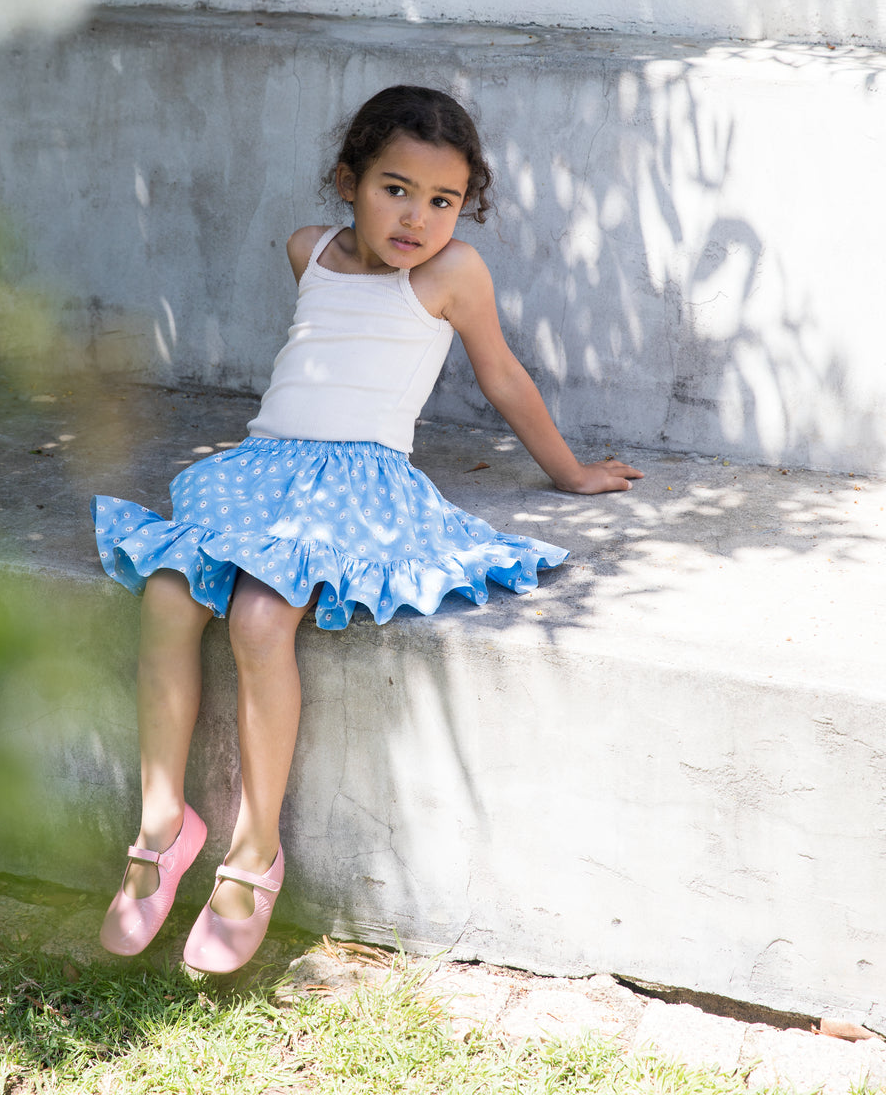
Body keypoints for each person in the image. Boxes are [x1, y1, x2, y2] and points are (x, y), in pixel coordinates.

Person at [92, 85, 642, 974]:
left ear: (464, 211)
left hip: (358, 485)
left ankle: (254, 848)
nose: (417, 217)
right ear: (347, 181)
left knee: (263, 618)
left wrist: (570, 472)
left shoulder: (452, 275)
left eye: (443, 201)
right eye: (396, 189)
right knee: (166, 593)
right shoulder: (308, 251)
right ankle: (163, 822)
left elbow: (500, 375)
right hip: (260, 472)